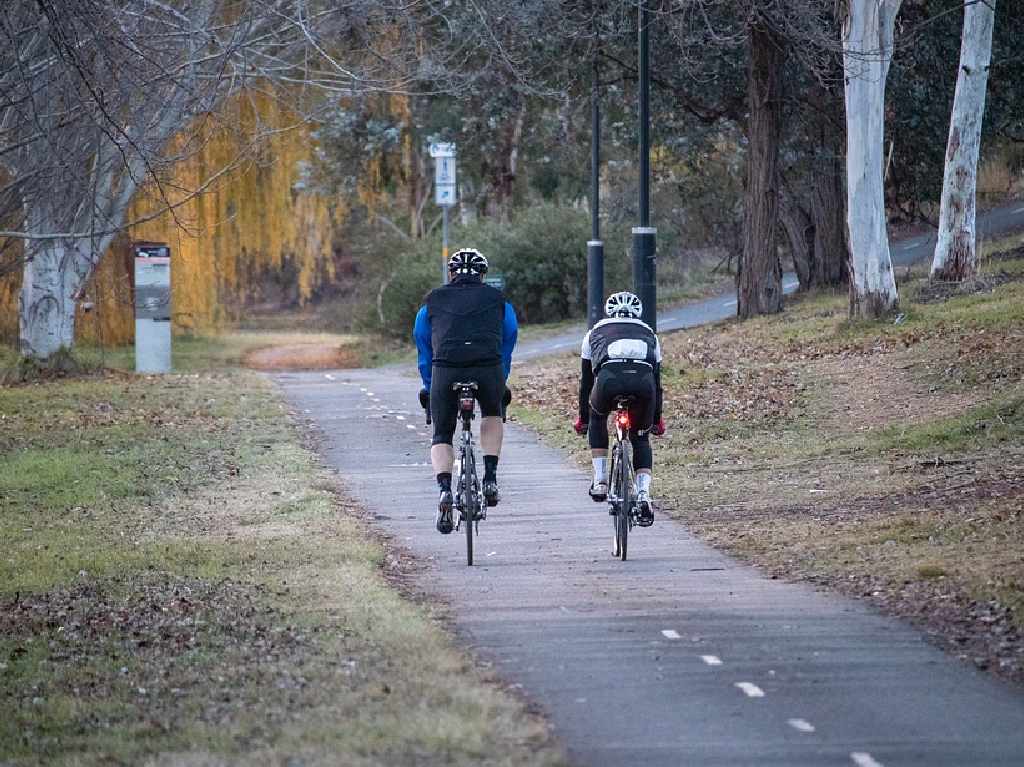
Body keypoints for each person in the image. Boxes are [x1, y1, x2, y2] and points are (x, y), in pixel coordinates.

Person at [413, 248, 518, 534]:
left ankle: (445, 489)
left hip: (445, 370)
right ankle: (491, 478)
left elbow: (424, 347)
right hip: (487, 368)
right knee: (493, 414)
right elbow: (508, 341)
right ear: (483, 275)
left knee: (442, 433)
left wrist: (428, 384)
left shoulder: (432, 302)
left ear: (451, 274)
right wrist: (500, 378)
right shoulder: (499, 301)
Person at [573, 291, 665, 525]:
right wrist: (656, 420)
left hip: (608, 381)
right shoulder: (650, 334)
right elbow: (657, 382)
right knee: (641, 438)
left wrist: (583, 419)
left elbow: (586, 383)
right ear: (638, 313)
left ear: (609, 312)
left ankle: (601, 479)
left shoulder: (594, 332)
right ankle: (643, 494)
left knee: (597, 417)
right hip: (643, 385)